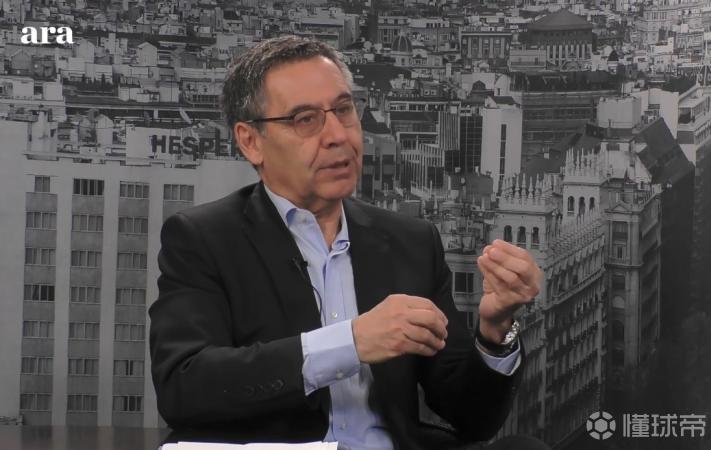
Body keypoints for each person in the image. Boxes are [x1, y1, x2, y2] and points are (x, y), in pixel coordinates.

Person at [149, 35, 549, 450]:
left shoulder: (410, 241)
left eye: (343, 110)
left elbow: (472, 418)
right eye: (305, 119)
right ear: (251, 141)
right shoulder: (204, 239)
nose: (337, 135)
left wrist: (496, 330)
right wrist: (352, 342)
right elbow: (184, 386)